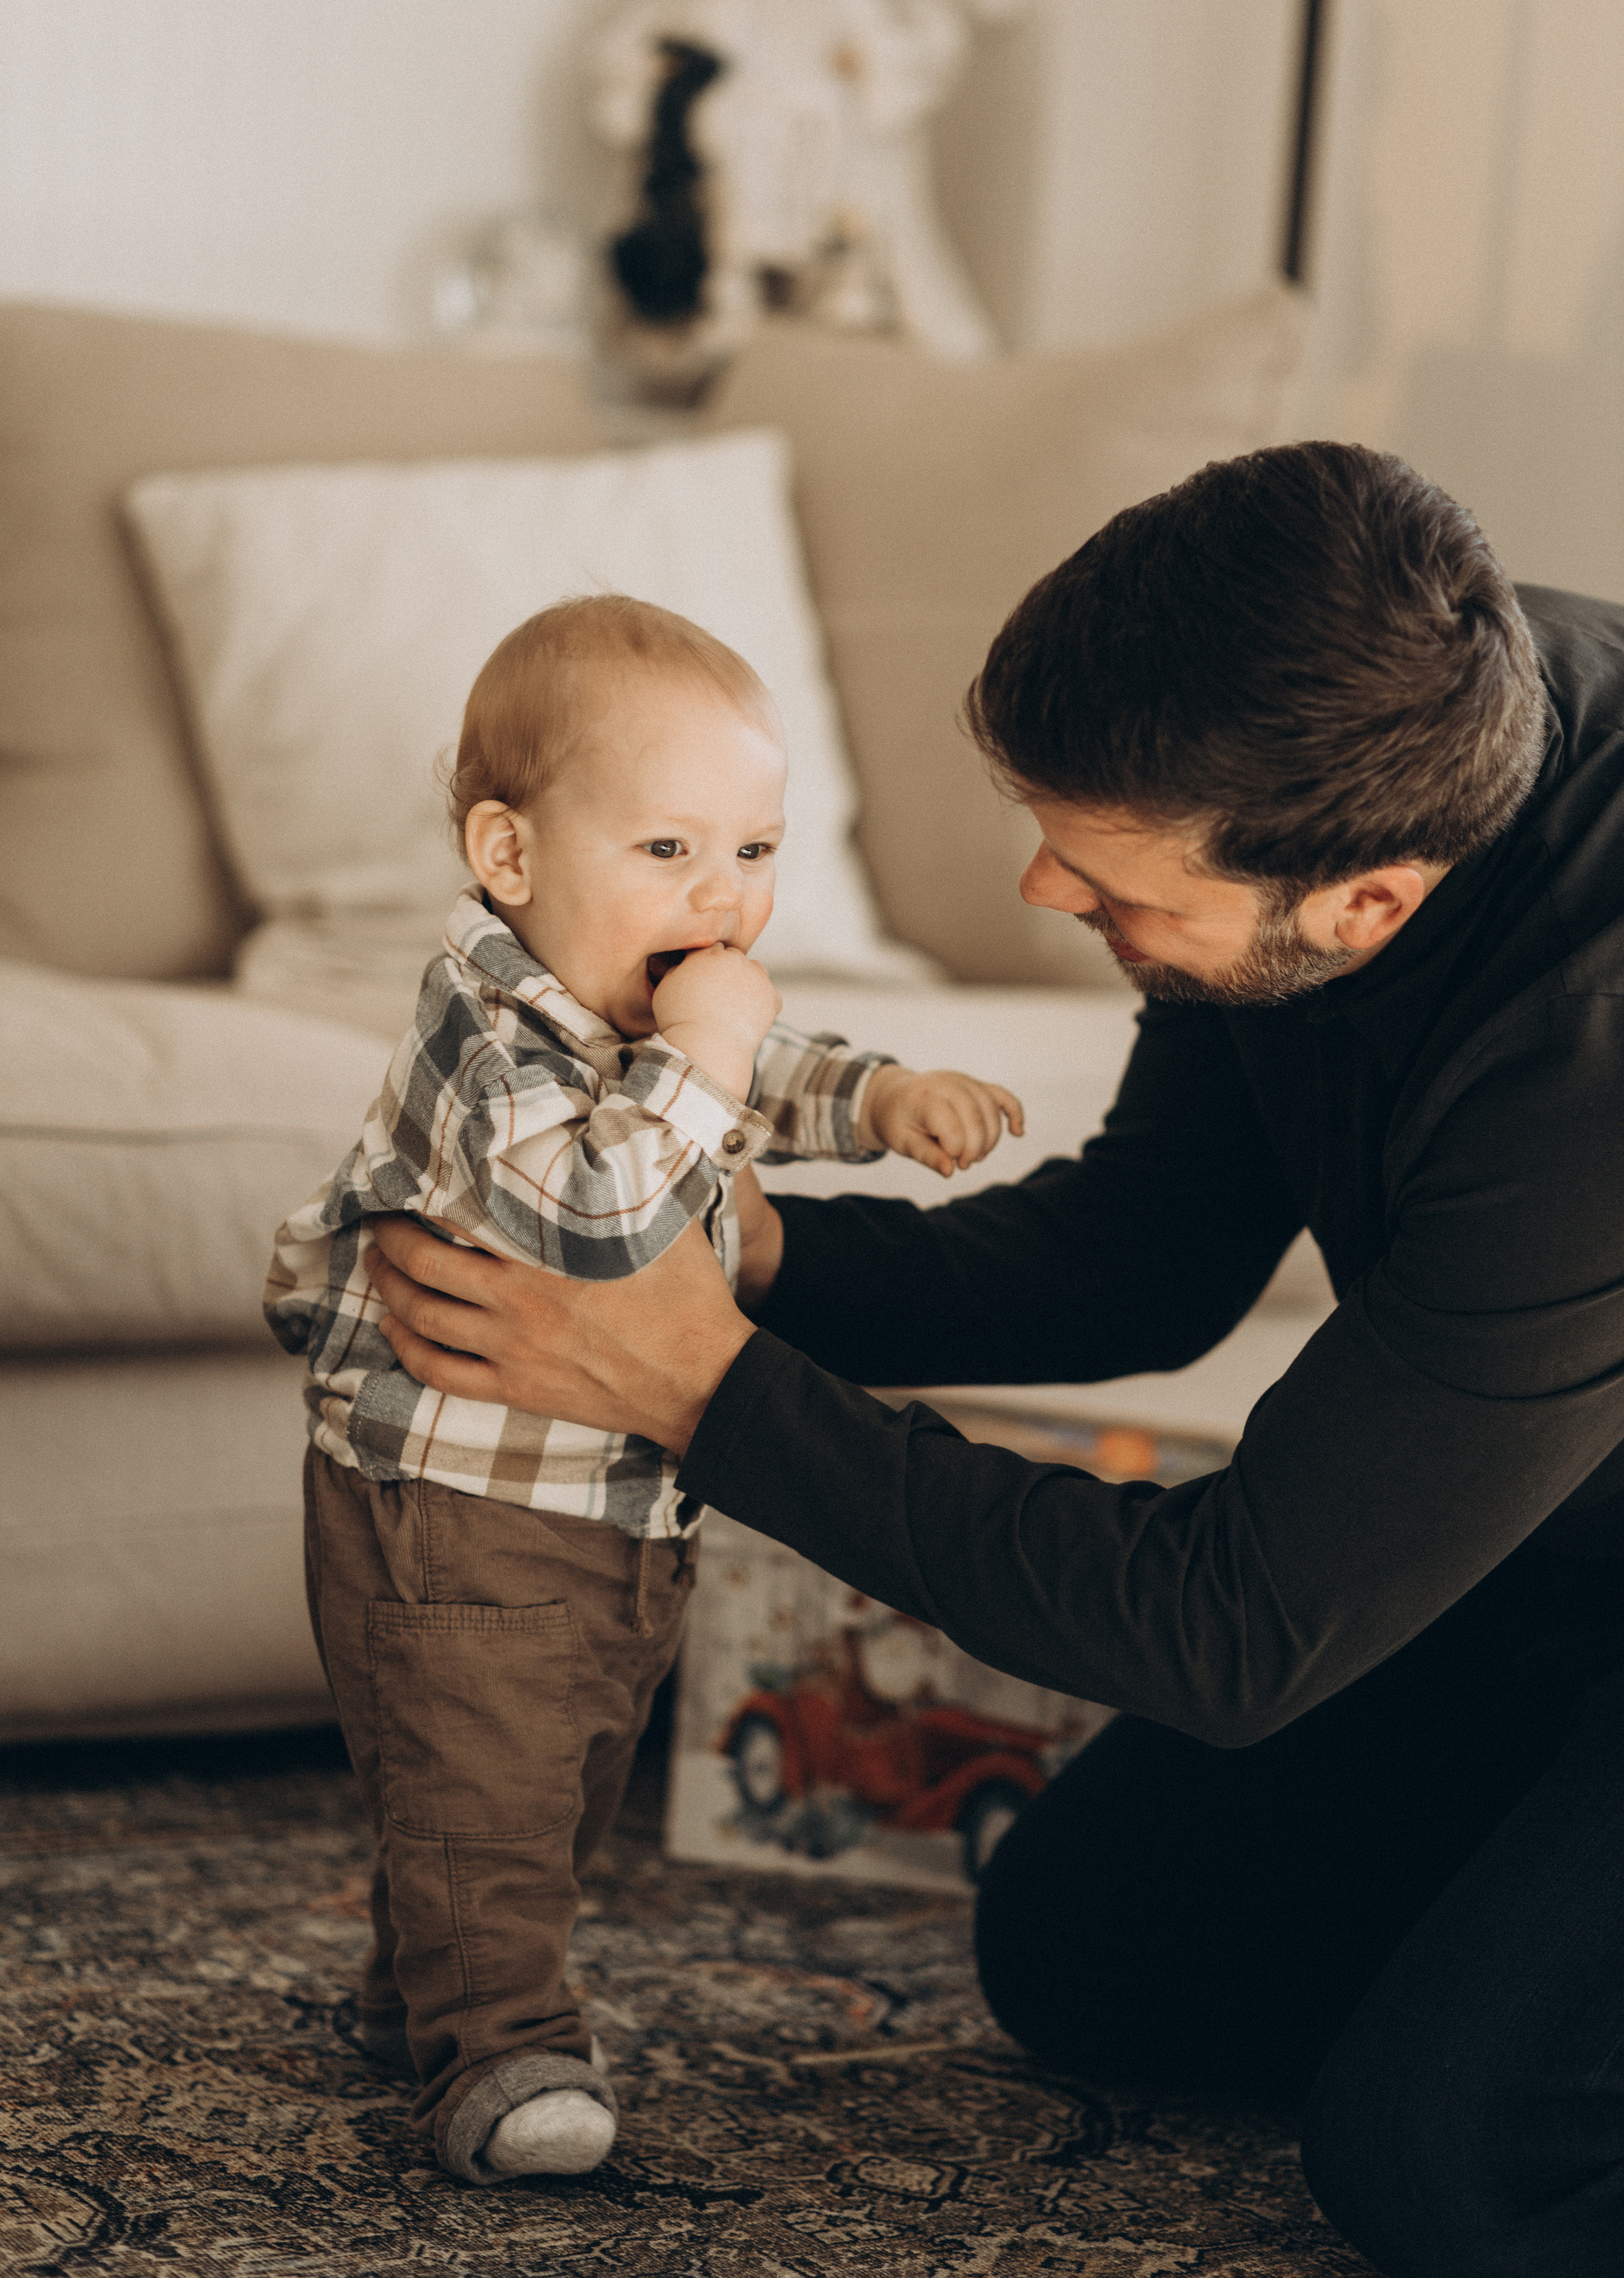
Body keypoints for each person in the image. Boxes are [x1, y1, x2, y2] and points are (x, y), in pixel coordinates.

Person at [361, 445, 1624, 2277]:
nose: (1044, 887)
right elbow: (1145, 1256)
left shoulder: (1590, 1052)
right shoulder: (1368, 739)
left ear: (1367, 904)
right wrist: (750, 1254)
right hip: (1541, 1534)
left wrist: (695, 1386)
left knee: (1452, 2166)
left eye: (1111, 881)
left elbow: (1232, 1631)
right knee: (1095, 1953)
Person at [266, 593, 1021, 2187]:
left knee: (564, 1772)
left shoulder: (655, 1006)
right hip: (452, 1509)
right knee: (486, 1776)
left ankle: (415, 1987)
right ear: (509, 857)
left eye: (755, 850)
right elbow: (599, 1215)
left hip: (610, 1503)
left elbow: (764, 1060)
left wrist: (878, 1093)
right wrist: (714, 1057)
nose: (728, 899)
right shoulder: (489, 1026)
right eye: (670, 851)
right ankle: (503, 2054)